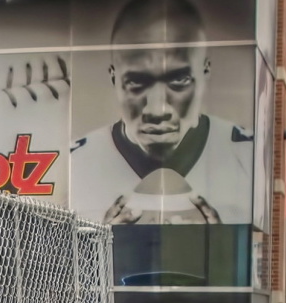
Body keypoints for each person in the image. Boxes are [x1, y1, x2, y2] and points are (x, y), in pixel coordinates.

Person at [69, 0, 253, 226]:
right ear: (114, 78)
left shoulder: (247, 157)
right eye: (136, 82)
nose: (158, 109)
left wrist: (222, 246)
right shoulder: (75, 164)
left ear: (205, 72)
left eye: (179, 80)